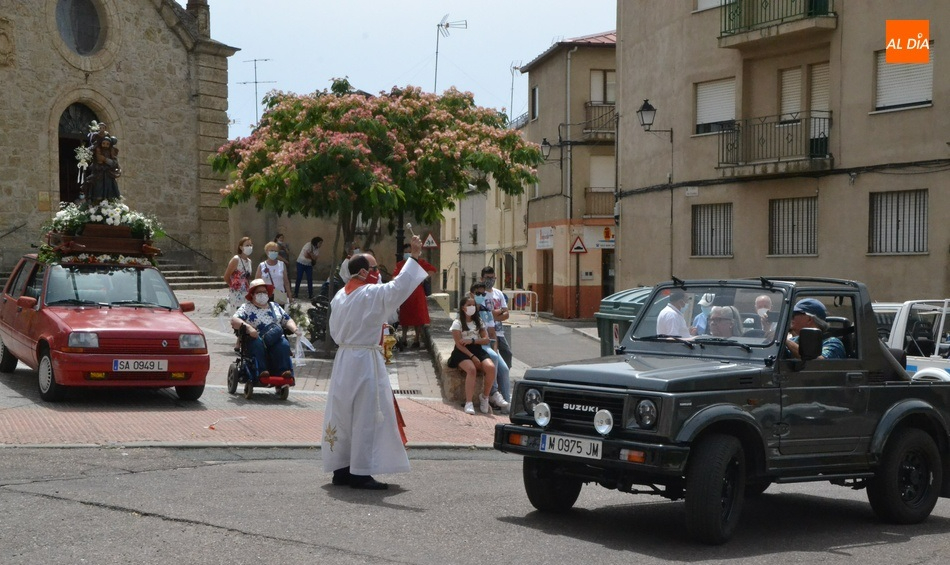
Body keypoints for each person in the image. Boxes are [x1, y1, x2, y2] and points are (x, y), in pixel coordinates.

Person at [322, 235, 428, 490]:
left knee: (343, 414)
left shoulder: (340, 296)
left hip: (344, 359)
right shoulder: (368, 294)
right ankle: (360, 472)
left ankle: (341, 469)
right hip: (364, 361)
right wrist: (413, 257)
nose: (377, 273)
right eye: (374, 268)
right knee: (365, 415)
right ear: (362, 272)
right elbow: (399, 288)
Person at [230, 278, 298, 385]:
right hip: (256, 337)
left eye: (264, 292)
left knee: (284, 344)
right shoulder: (247, 307)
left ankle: (284, 372)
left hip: (274, 337)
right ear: (252, 294)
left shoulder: (275, 307)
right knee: (257, 344)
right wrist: (249, 328)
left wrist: (295, 329)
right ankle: (262, 372)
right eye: (259, 292)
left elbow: (287, 319)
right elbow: (234, 320)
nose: (263, 294)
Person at [448, 295, 498, 415]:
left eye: (473, 305)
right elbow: (459, 344)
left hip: (477, 348)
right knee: (471, 370)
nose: (472, 307)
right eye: (468, 305)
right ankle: (469, 402)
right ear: (463, 308)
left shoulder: (478, 321)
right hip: (462, 352)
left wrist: (473, 341)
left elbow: (486, 339)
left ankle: (485, 397)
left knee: (490, 367)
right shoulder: (457, 323)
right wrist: (471, 356)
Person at [471, 282, 510, 410]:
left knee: (504, 369)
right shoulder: (467, 310)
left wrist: (495, 349)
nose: (481, 296)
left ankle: (506, 405)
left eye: (483, 294)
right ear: (471, 293)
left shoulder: (486, 311)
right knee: (492, 357)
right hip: (475, 345)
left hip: (487, 345)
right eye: (478, 294)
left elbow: (493, 334)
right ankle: (493, 392)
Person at [392, 244, 437, 349]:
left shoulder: (420, 263)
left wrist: (421, 278)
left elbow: (432, 270)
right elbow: (394, 276)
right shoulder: (400, 264)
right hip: (405, 293)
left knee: (418, 317)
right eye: (406, 252)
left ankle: (416, 339)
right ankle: (404, 338)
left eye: (410, 252)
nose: (408, 254)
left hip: (417, 292)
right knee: (404, 316)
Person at [481, 266, 512, 369]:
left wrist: (491, 315)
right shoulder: (479, 294)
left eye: (492, 277)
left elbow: (506, 314)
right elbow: (482, 315)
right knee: (492, 357)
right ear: (482, 279)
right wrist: (498, 312)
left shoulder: (498, 293)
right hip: (486, 332)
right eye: (487, 277)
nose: (490, 280)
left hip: (499, 332)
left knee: (507, 354)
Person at [223, 236, 254, 313]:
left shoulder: (249, 261)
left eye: (250, 245)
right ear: (241, 247)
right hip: (236, 294)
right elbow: (226, 276)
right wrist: (234, 285)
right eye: (247, 245)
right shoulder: (236, 259)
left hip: (246, 293)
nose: (249, 247)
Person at [256, 241, 292, 307]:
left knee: (279, 315)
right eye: (272, 250)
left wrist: (289, 295)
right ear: (266, 251)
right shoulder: (262, 265)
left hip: (279, 295)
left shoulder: (281, 264)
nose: (274, 252)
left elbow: (286, 282)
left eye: (276, 251)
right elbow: (257, 282)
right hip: (265, 296)